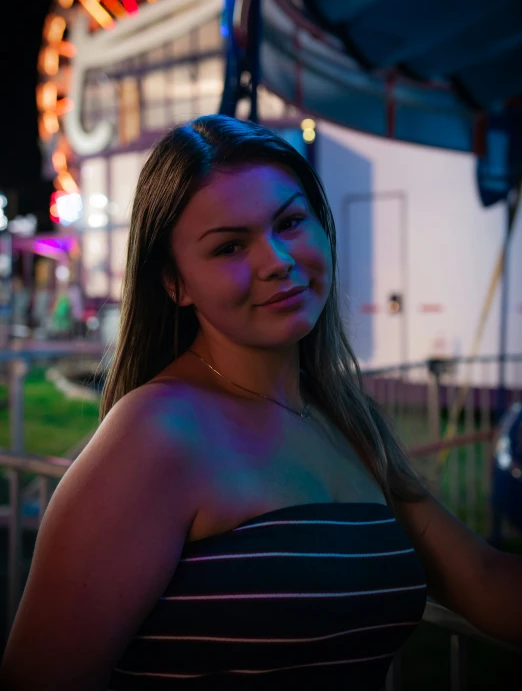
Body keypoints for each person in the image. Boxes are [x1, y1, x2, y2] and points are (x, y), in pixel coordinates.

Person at [1, 115, 521, 690]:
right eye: (229, 246)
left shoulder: (346, 420)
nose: (277, 259)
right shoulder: (156, 434)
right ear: (175, 283)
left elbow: (482, 578)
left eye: (291, 221)